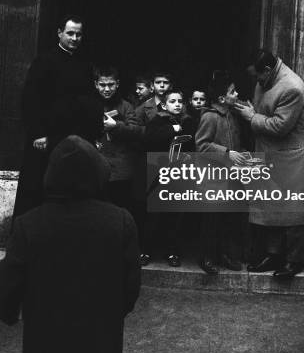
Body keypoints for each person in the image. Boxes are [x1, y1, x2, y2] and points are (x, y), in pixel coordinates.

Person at [0, 135, 141, 353]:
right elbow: (130, 287)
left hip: (45, 341)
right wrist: (112, 312)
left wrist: (10, 313)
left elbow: (9, 284)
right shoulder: (120, 221)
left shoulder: (29, 224)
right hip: (99, 341)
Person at [235, 49, 304, 279]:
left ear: (267, 70)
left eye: (258, 76)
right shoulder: (266, 79)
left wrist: (251, 117)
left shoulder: (292, 86)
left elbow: (280, 126)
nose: (256, 81)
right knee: (270, 205)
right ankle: (273, 255)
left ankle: (294, 260)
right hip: (270, 153)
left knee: (293, 210)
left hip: (292, 157)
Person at [13, 14, 103, 220]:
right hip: (45, 139)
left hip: (73, 138)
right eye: (70, 33)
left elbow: (89, 101)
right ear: (59, 33)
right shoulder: (44, 61)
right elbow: (31, 100)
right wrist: (37, 133)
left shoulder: (84, 65)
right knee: (38, 187)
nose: (74, 38)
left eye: (78, 35)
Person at [195, 72, 247, 275]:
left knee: (229, 218)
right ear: (221, 99)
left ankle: (225, 255)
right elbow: (202, 145)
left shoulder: (232, 116)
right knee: (212, 219)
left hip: (231, 176)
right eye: (232, 92)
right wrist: (226, 153)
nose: (237, 94)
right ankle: (207, 257)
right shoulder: (209, 116)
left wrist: (240, 155)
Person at [143, 89, 194, 267]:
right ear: (164, 105)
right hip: (159, 173)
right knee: (154, 213)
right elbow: (149, 139)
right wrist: (172, 129)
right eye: (172, 101)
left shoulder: (188, 121)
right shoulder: (157, 121)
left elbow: (191, 144)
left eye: (180, 101)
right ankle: (146, 250)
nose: (177, 104)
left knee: (176, 213)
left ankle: (172, 251)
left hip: (179, 174)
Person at [94, 66, 145, 230]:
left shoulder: (126, 106)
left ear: (117, 84)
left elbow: (137, 131)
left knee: (120, 213)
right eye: (102, 85)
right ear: (95, 84)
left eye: (111, 85)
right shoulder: (90, 104)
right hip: (95, 166)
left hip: (120, 170)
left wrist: (116, 125)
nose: (107, 89)